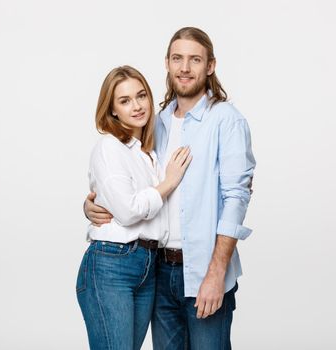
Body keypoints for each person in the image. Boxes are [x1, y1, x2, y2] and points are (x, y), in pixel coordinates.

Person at [84, 27, 256, 349]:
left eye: (195, 59)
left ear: (210, 65)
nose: (185, 68)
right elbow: (131, 181)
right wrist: (91, 203)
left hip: (205, 270)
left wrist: (217, 274)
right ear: (167, 63)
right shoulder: (156, 123)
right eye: (178, 58)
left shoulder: (227, 120)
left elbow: (236, 198)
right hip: (158, 274)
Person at [76, 65, 192, 350]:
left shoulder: (148, 153)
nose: (137, 106)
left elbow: (153, 211)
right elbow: (128, 211)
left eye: (141, 96)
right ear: (112, 109)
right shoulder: (109, 147)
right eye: (125, 101)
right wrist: (169, 182)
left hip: (149, 265)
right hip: (112, 264)